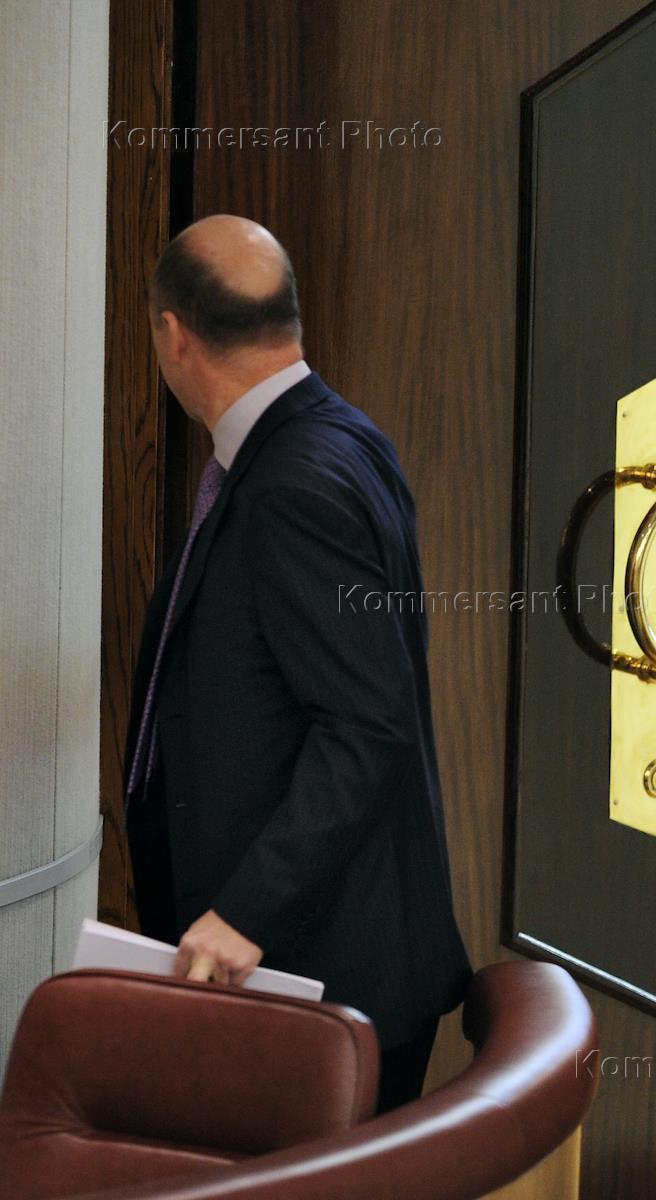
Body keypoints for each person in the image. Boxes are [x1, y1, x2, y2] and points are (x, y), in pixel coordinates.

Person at [123, 214, 471, 1113]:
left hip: (319, 975)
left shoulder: (293, 483)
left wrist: (247, 911)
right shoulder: (338, 436)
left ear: (173, 334)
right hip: (321, 963)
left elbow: (367, 724)